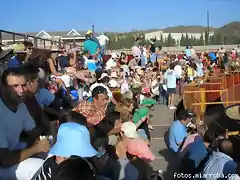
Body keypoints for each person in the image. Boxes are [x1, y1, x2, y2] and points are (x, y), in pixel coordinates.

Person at [0, 68, 50, 180]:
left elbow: (33, 132)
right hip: (3, 164)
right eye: (15, 86)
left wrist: (40, 143)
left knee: (52, 155)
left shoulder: (21, 106)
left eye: (23, 85)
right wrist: (36, 149)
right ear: (3, 87)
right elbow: (5, 160)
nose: (21, 90)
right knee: (41, 167)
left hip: (14, 150)